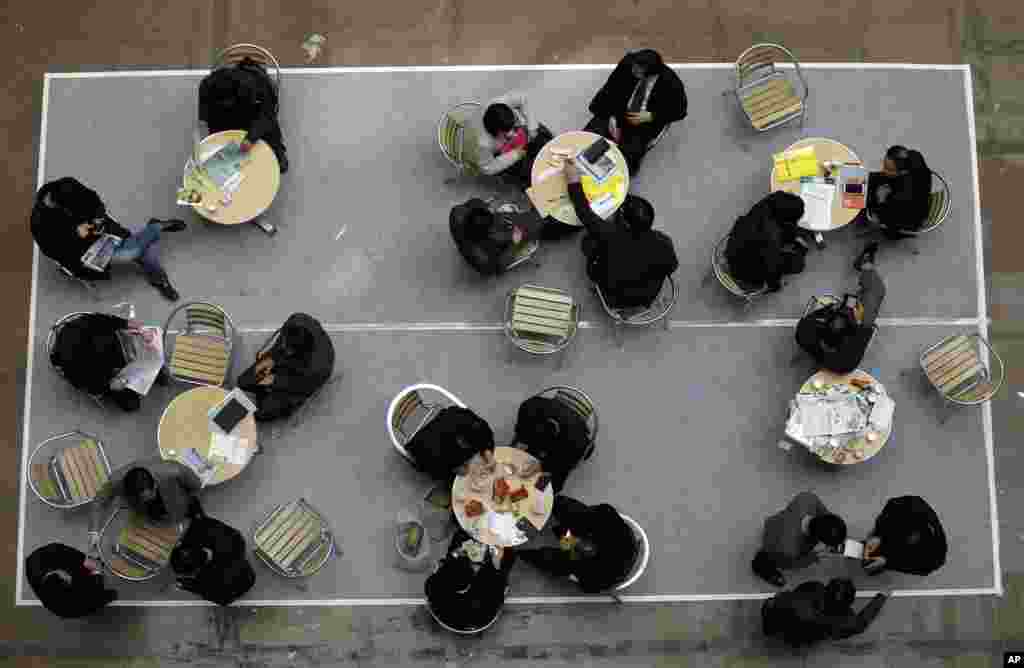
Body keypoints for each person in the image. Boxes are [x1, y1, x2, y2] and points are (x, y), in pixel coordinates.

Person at [31, 177, 185, 300]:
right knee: (136, 252)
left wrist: (97, 219)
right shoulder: (40, 224)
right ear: (53, 204)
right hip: (81, 253)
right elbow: (54, 252)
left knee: (144, 253)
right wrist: (76, 235)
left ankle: (158, 273)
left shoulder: (68, 187)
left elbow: (95, 202)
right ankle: (156, 227)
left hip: (101, 229)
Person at [564, 160, 678, 309]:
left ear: (625, 223)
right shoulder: (663, 242)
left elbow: (583, 211)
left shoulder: (609, 236)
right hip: (647, 296)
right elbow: (672, 266)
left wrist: (573, 181)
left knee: (587, 243)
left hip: (614, 297)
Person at [583, 49, 687, 174]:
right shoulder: (628, 64)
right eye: (634, 66)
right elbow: (611, 89)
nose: (633, 70)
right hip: (618, 111)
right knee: (587, 142)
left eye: (638, 70)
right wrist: (612, 115)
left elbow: (680, 111)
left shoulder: (671, 83)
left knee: (624, 162)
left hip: (643, 123)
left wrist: (651, 116)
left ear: (651, 72)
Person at [795, 243, 887, 374]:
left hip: (839, 333)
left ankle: (865, 270)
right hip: (855, 328)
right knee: (876, 291)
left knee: (860, 300)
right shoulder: (845, 361)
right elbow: (863, 337)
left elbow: (810, 321)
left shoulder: (804, 333)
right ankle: (865, 265)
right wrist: (856, 320)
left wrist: (832, 309)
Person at [49, 312, 168, 412]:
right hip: (107, 376)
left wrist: (126, 323)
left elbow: (101, 319)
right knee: (132, 405)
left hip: (115, 352)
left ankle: (155, 372)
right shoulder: (75, 368)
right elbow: (91, 387)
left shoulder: (77, 329)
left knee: (150, 359)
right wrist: (110, 385)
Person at [518, 496, 638, 593]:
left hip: (591, 566)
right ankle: (546, 503)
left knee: (551, 560)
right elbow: (603, 510)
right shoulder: (608, 526)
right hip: (598, 538)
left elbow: (587, 586)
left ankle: (523, 554)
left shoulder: (592, 572)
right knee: (569, 510)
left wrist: (571, 541)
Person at [88, 458, 203, 552]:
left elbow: (196, 484)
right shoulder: (116, 480)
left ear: (155, 485)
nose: (146, 500)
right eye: (141, 499)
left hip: (179, 506)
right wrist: (94, 532)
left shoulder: (173, 470)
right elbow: (99, 500)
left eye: (148, 497)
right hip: (149, 514)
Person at [236, 313, 335, 422]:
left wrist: (275, 381)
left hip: (300, 381)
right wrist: (271, 359)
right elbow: (279, 348)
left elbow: (302, 385)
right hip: (291, 361)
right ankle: (263, 392)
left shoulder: (319, 367)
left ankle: (266, 397)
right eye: (283, 342)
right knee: (243, 382)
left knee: (263, 413)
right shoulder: (293, 327)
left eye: (287, 349)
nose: (283, 345)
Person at [198, 57, 288, 172]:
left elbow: (268, 114)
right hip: (224, 127)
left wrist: (250, 138)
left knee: (279, 166)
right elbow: (203, 124)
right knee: (217, 172)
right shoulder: (206, 87)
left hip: (254, 120)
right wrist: (205, 148)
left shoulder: (257, 85)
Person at [425, 529, 515, 632]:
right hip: (477, 618)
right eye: (474, 566)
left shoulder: (438, 585)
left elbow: (435, 577)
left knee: (460, 536)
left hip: (444, 612)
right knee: (509, 555)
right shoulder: (484, 597)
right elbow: (498, 592)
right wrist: (496, 562)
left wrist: (457, 553)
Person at [751, 492, 847, 587]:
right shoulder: (790, 548)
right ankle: (761, 566)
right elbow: (789, 565)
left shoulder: (807, 499)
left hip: (774, 522)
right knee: (772, 558)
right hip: (773, 543)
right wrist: (813, 557)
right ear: (818, 539)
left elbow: (826, 514)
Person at [169, 502, 255, 606]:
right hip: (245, 574)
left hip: (235, 586)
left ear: (197, 570)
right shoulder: (234, 543)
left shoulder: (207, 580)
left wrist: (181, 583)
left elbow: (219, 597)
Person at [762, 578, 888, 647]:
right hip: (800, 636)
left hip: (779, 618)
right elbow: (861, 623)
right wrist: (881, 597)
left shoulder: (814, 586)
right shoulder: (841, 622)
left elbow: (795, 591)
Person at [725, 192, 809, 293]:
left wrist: (794, 235)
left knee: (789, 234)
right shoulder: (771, 239)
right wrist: (776, 285)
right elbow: (771, 268)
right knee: (799, 264)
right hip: (743, 270)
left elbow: (782, 225)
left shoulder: (770, 201)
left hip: (736, 246)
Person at [474, 92, 554, 188]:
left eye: (514, 128)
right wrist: (515, 154)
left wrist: (532, 127)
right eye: (506, 134)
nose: (513, 134)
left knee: (544, 136)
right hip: (503, 154)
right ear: (494, 133)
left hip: (512, 139)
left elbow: (523, 98)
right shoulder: (483, 144)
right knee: (526, 172)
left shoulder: (501, 102)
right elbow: (486, 168)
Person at [513, 394, 590, 493]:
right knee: (513, 470)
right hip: (538, 448)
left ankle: (532, 496)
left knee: (536, 492)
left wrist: (543, 466)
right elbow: (522, 433)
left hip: (555, 465)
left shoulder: (577, 441)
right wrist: (520, 447)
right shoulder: (531, 408)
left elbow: (564, 464)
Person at [448, 198, 544, 276]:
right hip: (495, 256)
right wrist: (515, 243)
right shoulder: (482, 256)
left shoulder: (458, 214)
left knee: (518, 220)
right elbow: (499, 266)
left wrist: (485, 207)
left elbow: (475, 203)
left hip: (472, 239)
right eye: (492, 226)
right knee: (534, 226)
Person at [25, 542, 117, 618]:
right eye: (66, 580)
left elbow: (63, 550)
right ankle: (95, 578)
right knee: (94, 588)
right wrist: (109, 594)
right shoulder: (69, 608)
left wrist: (85, 560)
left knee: (83, 564)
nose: (68, 577)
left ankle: (90, 570)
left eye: (63, 577)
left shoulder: (38, 560)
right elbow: (93, 603)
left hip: (50, 562)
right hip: (77, 598)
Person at [404, 406, 495, 481]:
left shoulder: (468, 420)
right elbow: (439, 471)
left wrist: (488, 453)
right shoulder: (434, 449)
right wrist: (459, 471)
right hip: (424, 451)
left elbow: (485, 433)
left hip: (447, 422)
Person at [863, 495, 947, 576]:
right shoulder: (897, 506)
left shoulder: (937, 552)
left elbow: (922, 568)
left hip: (916, 558)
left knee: (894, 558)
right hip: (898, 524)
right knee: (881, 544)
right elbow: (883, 520)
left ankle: (882, 562)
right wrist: (877, 536)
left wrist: (888, 562)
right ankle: (879, 556)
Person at [861, 145, 932, 239]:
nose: (883, 169)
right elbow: (884, 176)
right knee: (867, 180)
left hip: (902, 223)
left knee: (865, 200)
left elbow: (886, 217)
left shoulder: (903, 196)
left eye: (888, 169)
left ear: (903, 172)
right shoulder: (913, 156)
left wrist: (880, 199)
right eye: (884, 165)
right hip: (909, 197)